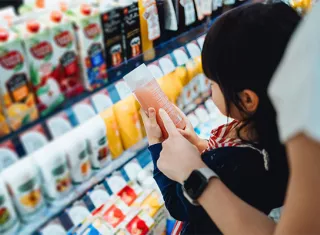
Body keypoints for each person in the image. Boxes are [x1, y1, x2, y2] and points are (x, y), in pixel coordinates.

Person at [154, 2, 320, 235]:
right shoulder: (273, 138)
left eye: (212, 83)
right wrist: (200, 147)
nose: (210, 89)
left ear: (247, 100)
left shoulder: (259, 160)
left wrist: (191, 170)